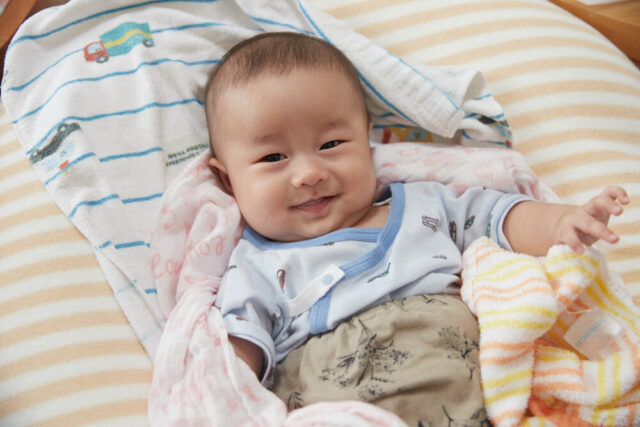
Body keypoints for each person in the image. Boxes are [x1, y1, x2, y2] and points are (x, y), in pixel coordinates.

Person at [204, 32, 628, 425]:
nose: (309, 173)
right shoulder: (256, 265)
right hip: (336, 394)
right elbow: (234, 367)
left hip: (461, 376)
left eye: (331, 144)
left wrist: (560, 222)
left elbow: (499, 217)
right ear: (227, 179)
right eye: (273, 158)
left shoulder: (424, 207)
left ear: (367, 140)